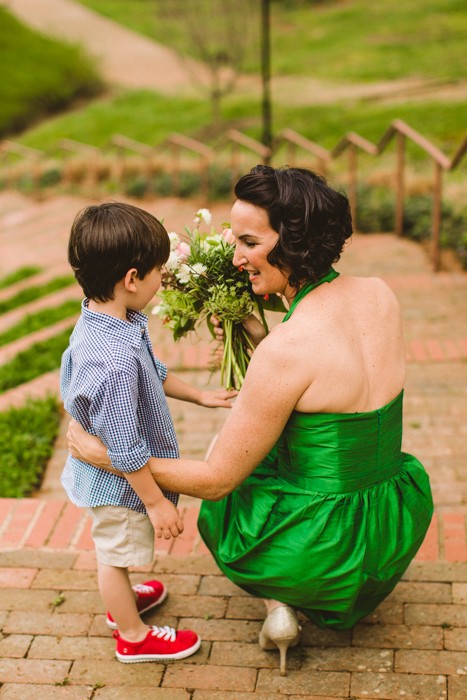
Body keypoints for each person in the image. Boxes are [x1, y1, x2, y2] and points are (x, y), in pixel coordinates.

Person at [66, 167, 434, 675]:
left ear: (295, 241)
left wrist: (100, 455)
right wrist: (255, 329)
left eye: (248, 242)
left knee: (236, 471)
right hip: (393, 519)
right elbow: (324, 371)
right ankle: (285, 603)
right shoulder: (379, 293)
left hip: (328, 547)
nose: (236, 257)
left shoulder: (285, 350)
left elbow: (216, 482)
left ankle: (280, 598)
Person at [61, 201, 236, 664]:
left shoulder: (111, 320)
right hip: (119, 484)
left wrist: (200, 396)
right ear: (132, 278)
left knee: (115, 550)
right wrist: (157, 503)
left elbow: (153, 372)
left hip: (118, 475)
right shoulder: (111, 358)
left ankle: (124, 601)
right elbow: (124, 445)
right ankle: (133, 636)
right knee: (113, 557)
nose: (164, 280)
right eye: (160, 271)